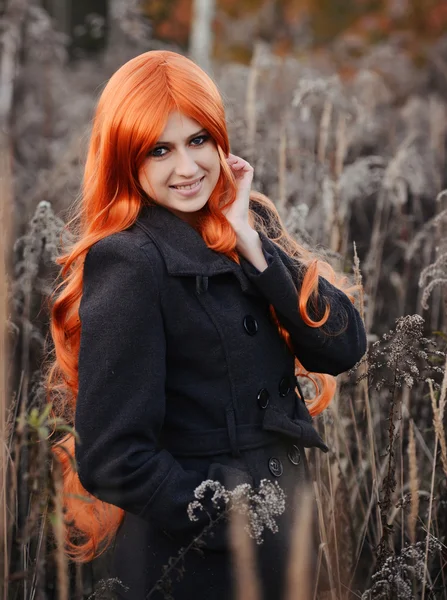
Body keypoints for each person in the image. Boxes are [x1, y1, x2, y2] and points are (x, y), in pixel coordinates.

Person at [47, 50, 367, 600]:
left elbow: (342, 347)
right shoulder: (130, 261)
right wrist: (231, 513)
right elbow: (112, 456)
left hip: (284, 546)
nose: (188, 167)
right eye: (160, 150)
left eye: (198, 140)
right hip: (194, 563)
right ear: (128, 160)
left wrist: (252, 242)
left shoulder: (246, 223)